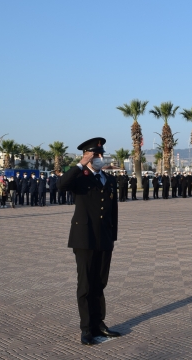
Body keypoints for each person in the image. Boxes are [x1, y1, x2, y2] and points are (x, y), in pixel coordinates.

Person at [58, 137, 121, 346]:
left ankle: (99, 323)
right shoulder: (80, 177)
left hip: (103, 239)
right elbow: (61, 184)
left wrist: (112, 237)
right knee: (85, 285)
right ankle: (86, 329)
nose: (100, 158)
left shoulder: (109, 180)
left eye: (101, 155)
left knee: (100, 283)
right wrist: (80, 164)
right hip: (84, 239)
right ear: (88, 156)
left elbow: (113, 212)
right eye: (96, 155)